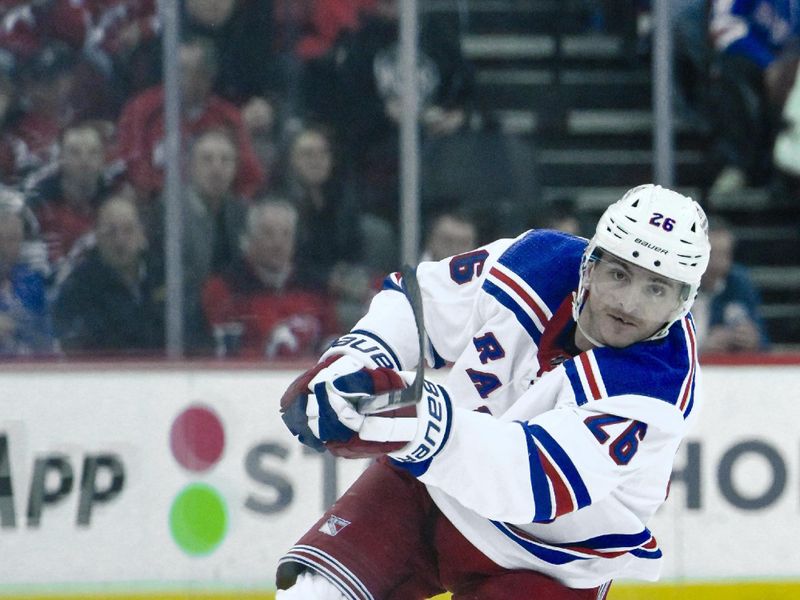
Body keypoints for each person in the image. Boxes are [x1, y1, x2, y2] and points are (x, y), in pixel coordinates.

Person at [276, 184, 711, 599]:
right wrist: (351, 364)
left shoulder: (659, 384)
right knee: (311, 594)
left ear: (681, 304)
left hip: (549, 564)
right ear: (590, 264)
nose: (628, 304)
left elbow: (533, 481)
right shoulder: (535, 262)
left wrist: (408, 418)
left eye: (656, 288)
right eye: (619, 274)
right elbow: (420, 302)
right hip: (431, 488)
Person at [202, 199, 337, 359]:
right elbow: (225, 352)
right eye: (268, 233)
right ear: (249, 239)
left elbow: (332, 337)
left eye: (286, 234)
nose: (278, 243)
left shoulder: (314, 287)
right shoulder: (225, 288)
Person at [53, 194, 164, 356]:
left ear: (141, 234)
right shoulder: (80, 286)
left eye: (128, 230)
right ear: (97, 237)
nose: (120, 241)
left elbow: (190, 332)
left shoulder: (163, 275)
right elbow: (76, 345)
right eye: (111, 232)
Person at [694, 216, 769, 353]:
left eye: (725, 255)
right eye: (711, 255)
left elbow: (765, 342)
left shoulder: (739, 283)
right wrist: (700, 345)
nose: (718, 264)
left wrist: (754, 340)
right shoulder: (680, 284)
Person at [0, 192, 52, 357]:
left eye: (12, 239)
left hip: (26, 373)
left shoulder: (32, 283)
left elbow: (45, 337)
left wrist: (16, 327)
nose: (3, 246)